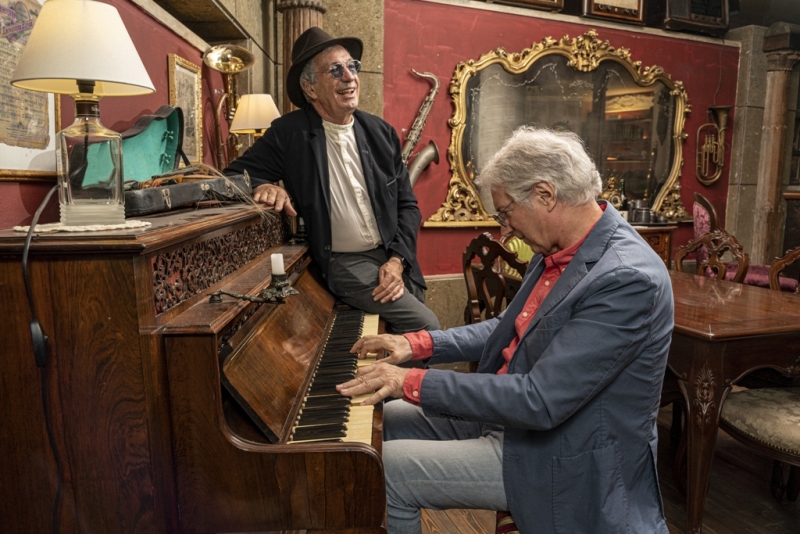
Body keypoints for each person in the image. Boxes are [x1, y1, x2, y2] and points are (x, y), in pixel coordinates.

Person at [337, 126, 674, 534]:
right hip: (511, 420)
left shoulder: (626, 277)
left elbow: (539, 400)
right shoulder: (558, 246)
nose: (505, 231)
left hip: (562, 456)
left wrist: (408, 380)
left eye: (506, 213)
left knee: (385, 470)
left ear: (545, 195)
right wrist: (416, 343)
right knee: (379, 416)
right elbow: (507, 327)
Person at [225, 27, 439, 333]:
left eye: (352, 67)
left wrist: (397, 260)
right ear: (310, 88)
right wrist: (263, 184)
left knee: (404, 337)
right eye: (335, 71)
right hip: (347, 263)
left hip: (395, 256)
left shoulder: (381, 133)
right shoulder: (289, 133)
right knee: (426, 325)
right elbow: (232, 175)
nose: (349, 77)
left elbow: (408, 205)